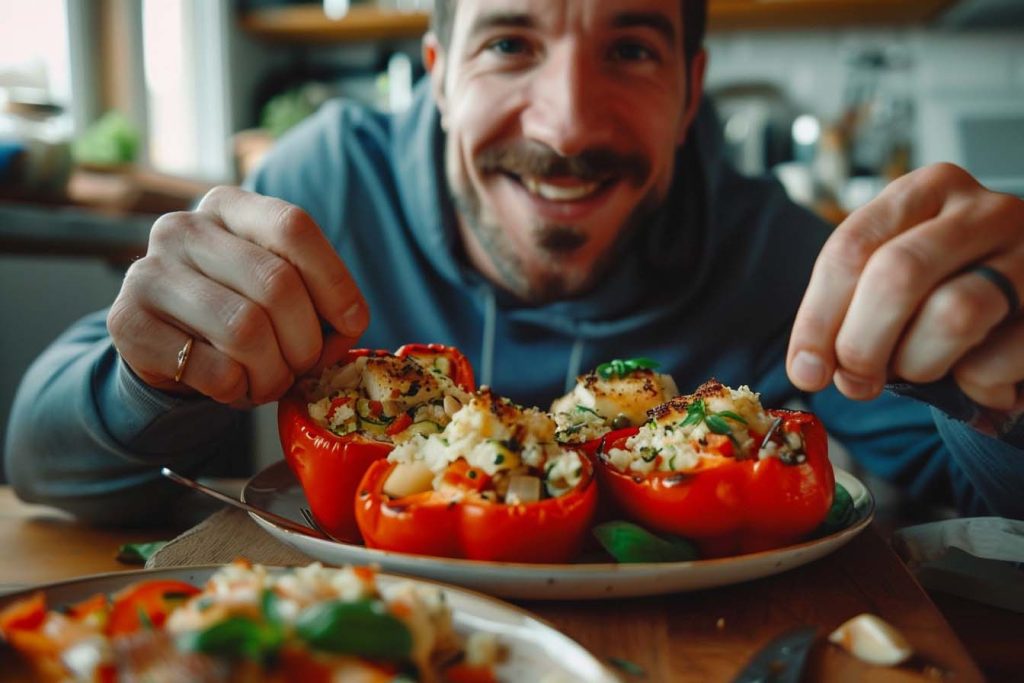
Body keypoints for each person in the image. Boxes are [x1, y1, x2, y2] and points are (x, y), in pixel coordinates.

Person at [5, 0, 1024, 524]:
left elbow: (970, 494)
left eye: (630, 49)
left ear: (689, 91)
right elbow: (44, 461)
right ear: (438, 76)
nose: (569, 125)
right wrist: (145, 373)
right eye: (508, 44)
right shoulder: (319, 189)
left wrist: (1005, 392)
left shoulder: (772, 250)